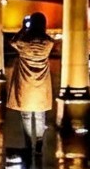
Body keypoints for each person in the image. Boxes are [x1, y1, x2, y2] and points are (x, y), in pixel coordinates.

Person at [5, 12, 56, 157]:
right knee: (40, 115)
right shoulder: (48, 43)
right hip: (41, 84)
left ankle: (28, 143)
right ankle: (39, 142)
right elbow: (50, 39)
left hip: (25, 84)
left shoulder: (24, 42)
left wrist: (23, 29)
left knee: (26, 115)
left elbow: (13, 41)